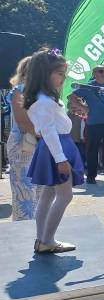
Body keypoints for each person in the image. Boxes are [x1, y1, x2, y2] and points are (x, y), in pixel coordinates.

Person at [25, 49, 84, 253]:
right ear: (44, 74)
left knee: (48, 195)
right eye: (59, 73)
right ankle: (47, 240)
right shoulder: (43, 102)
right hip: (57, 147)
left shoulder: (45, 99)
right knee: (65, 196)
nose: (63, 78)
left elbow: (51, 127)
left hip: (57, 145)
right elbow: (49, 131)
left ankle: (42, 239)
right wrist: (60, 159)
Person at [70, 65, 104, 184]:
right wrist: (83, 107)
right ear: (94, 74)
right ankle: (91, 176)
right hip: (94, 123)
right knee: (92, 150)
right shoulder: (88, 86)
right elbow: (71, 97)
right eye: (101, 71)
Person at [6, 56, 41, 221]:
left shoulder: (43, 92)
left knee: (39, 193)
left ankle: (39, 232)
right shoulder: (20, 90)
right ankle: (24, 232)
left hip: (39, 144)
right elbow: (22, 121)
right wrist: (46, 135)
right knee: (25, 194)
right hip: (23, 144)